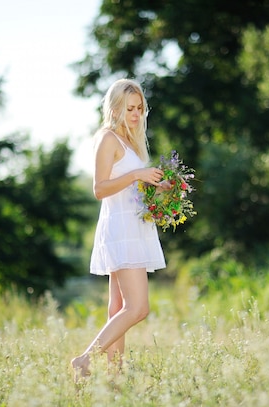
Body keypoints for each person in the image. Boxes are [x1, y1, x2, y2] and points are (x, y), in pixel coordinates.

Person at [70, 78, 170, 380]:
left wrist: (158, 185)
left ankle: (115, 378)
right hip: (120, 229)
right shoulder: (108, 138)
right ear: (114, 108)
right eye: (130, 108)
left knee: (118, 308)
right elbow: (100, 189)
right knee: (138, 308)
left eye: (140, 108)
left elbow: (131, 185)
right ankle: (85, 359)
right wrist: (138, 173)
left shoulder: (130, 142)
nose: (136, 114)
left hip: (134, 226)